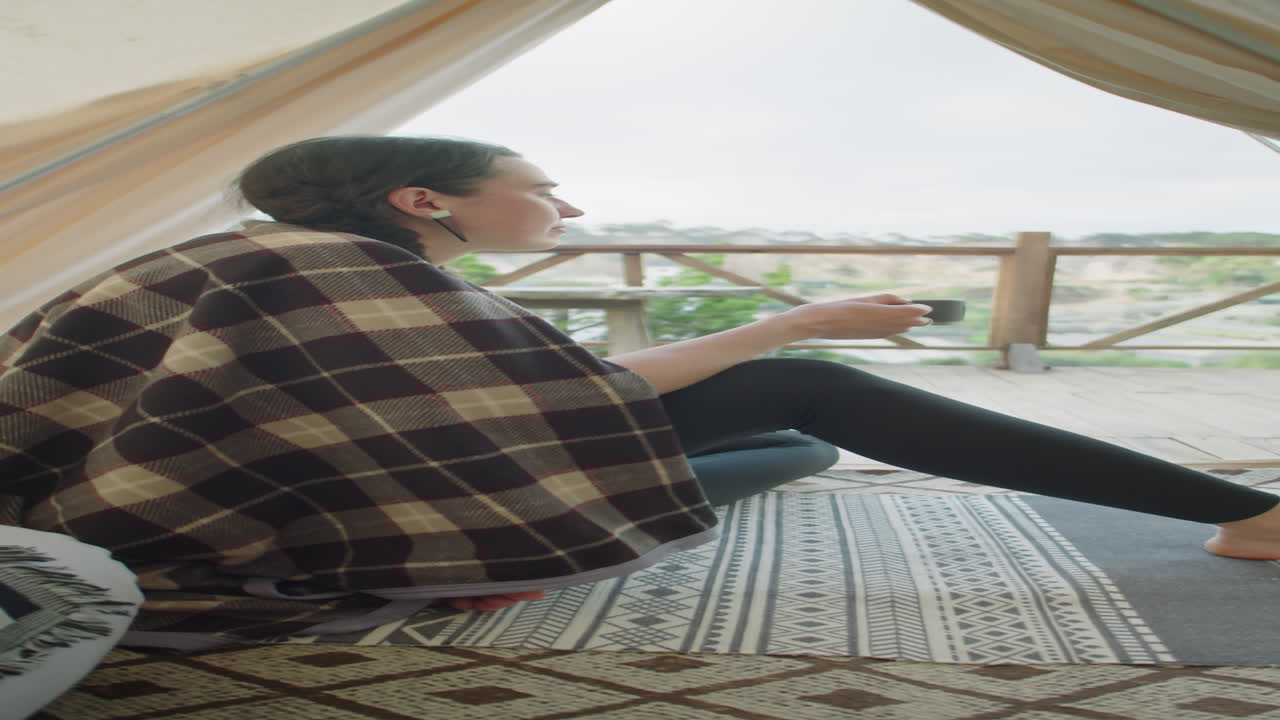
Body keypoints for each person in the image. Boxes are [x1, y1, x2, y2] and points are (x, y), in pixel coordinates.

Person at [3, 136, 1278, 639]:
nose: (566, 205)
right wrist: (807, 315)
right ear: (423, 198)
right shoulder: (329, 262)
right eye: (542, 184)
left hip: (297, 466)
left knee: (802, 450)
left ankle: (542, 533)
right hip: (195, 512)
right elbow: (574, 396)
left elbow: (509, 397)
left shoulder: (326, 258)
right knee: (801, 382)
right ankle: (1243, 510)